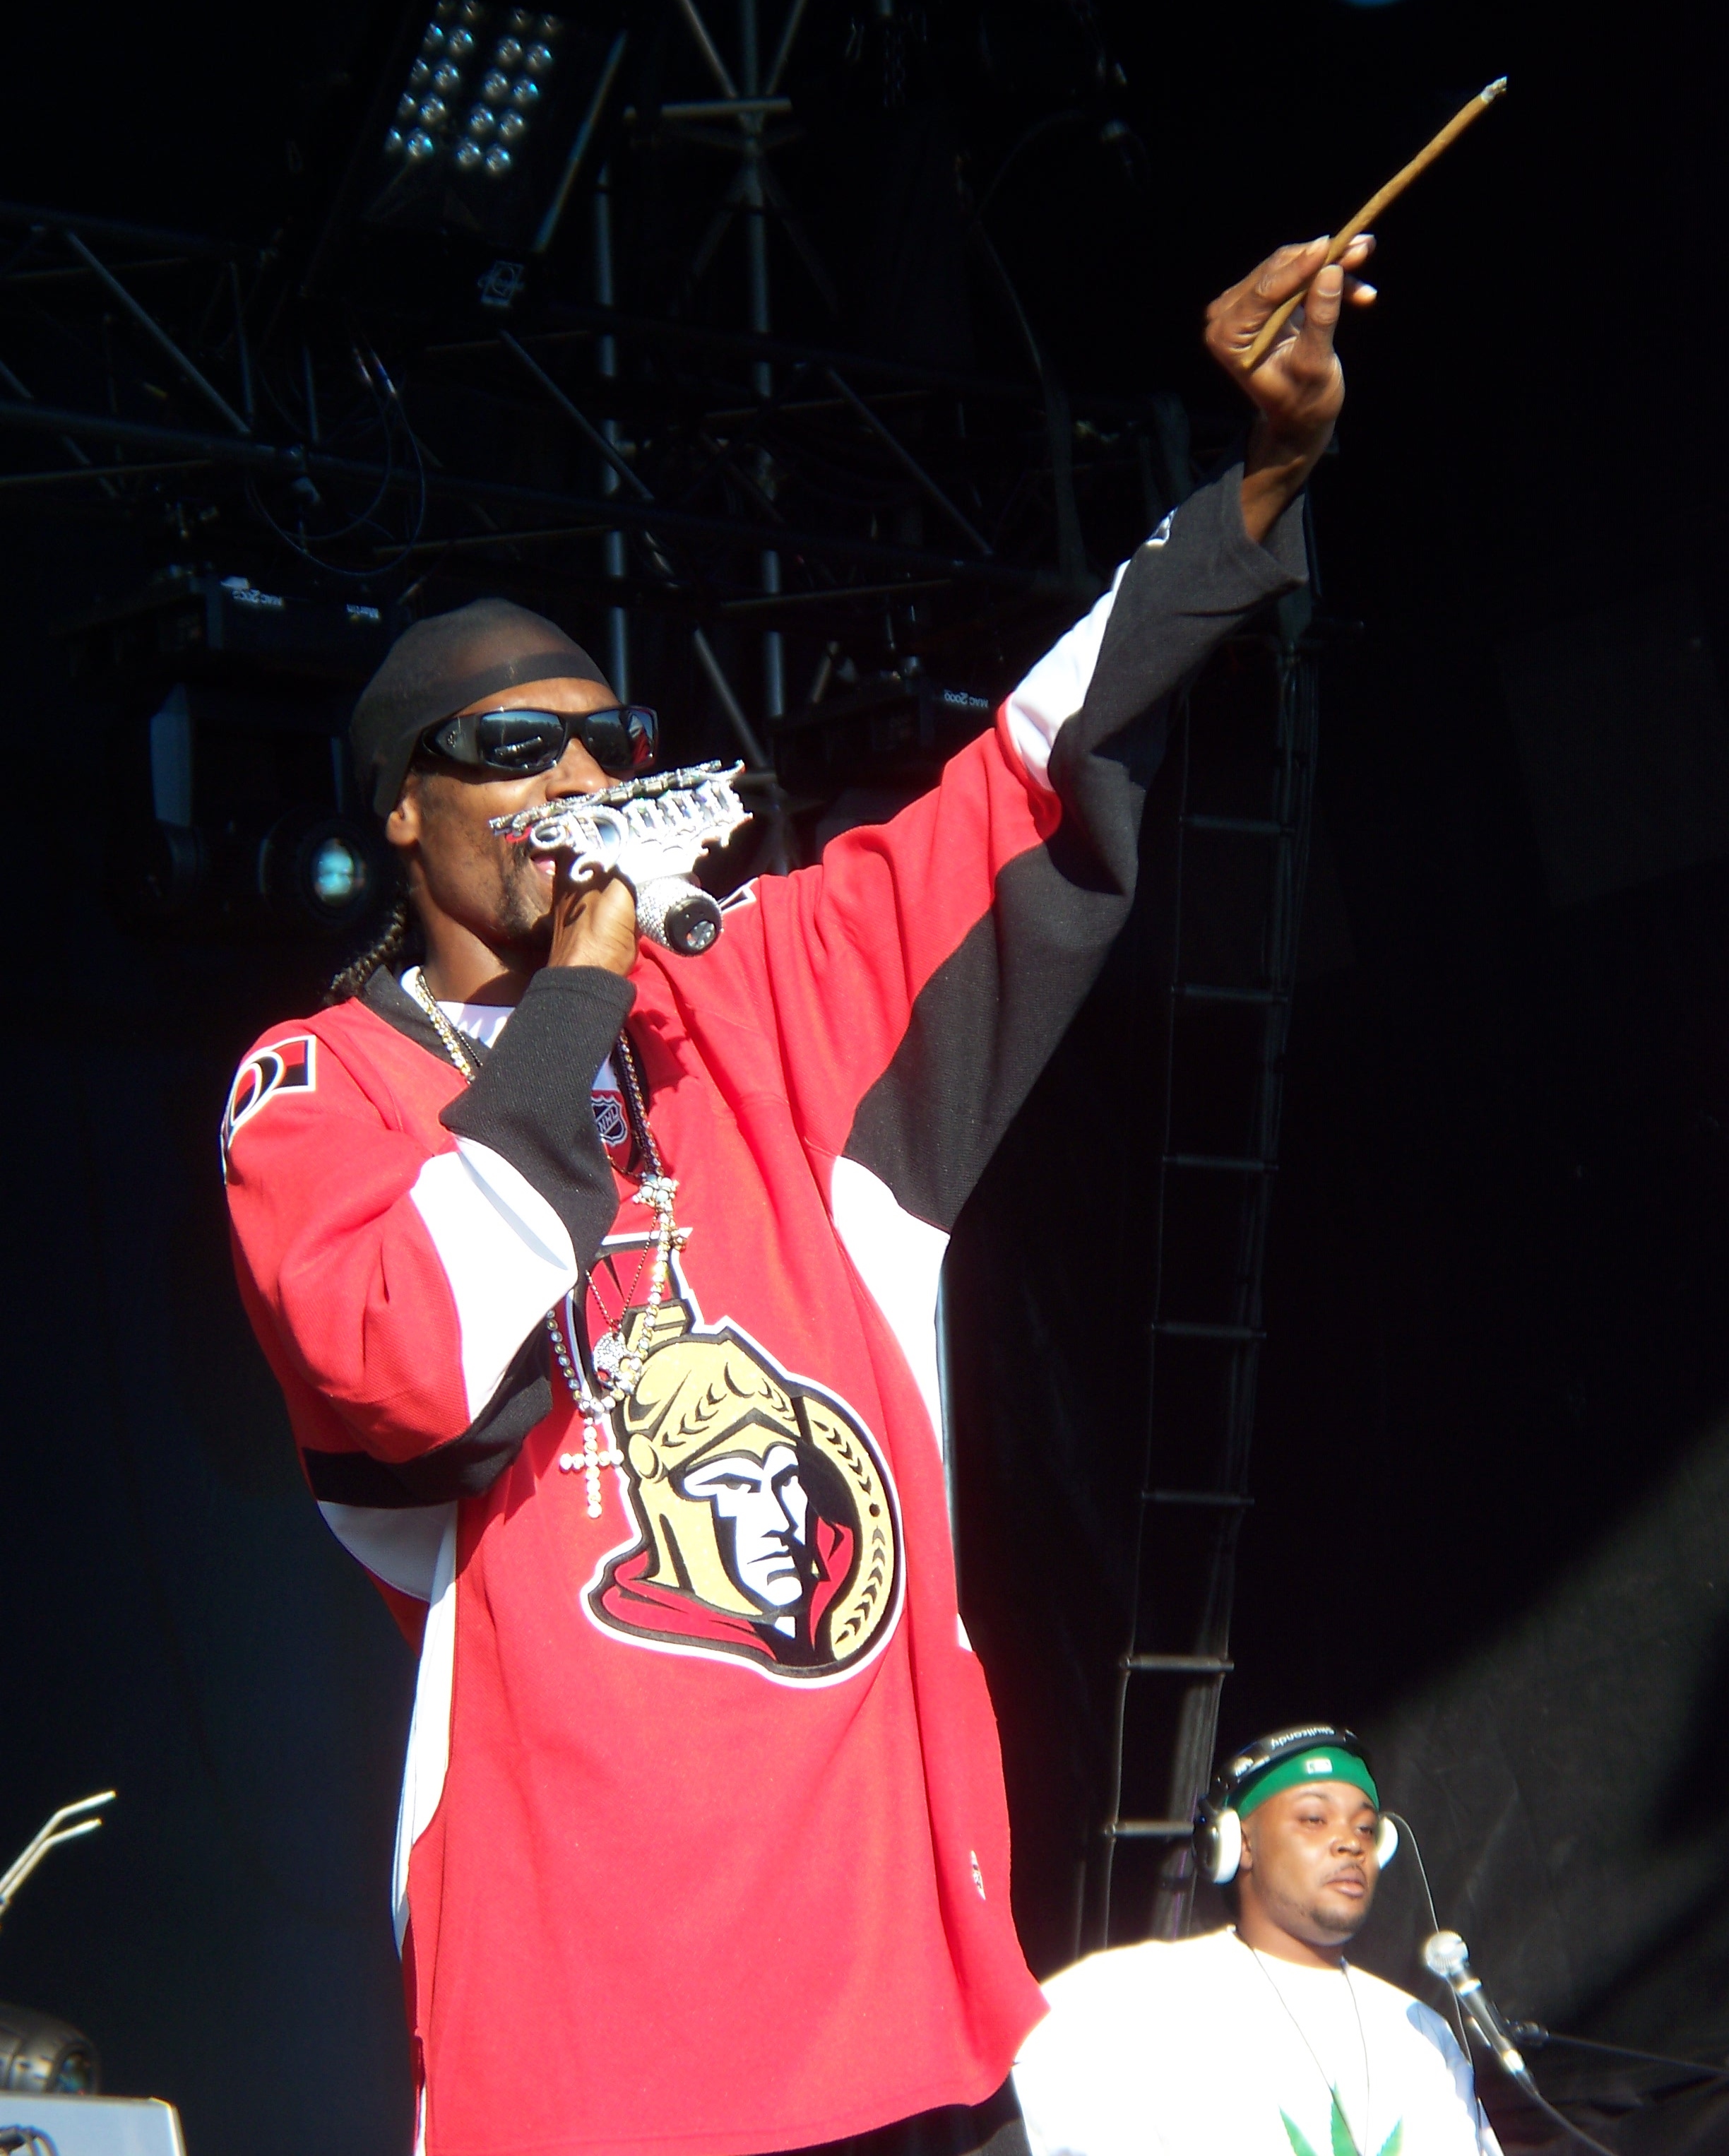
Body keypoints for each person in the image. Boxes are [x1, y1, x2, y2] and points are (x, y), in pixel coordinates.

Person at [222, 236, 1372, 2156]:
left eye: (611, 736)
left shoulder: (750, 987)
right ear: (399, 810)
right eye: (512, 748)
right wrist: (580, 985)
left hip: (876, 1952)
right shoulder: (317, 1085)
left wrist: (1256, 485)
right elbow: (411, 1363)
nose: (580, 771)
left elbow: (1017, 775)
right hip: (592, 1976)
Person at [1012, 1728, 1502, 2156]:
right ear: (1236, 1844)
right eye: (1314, 1819)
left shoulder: (1420, 2031)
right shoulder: (1127, 1995)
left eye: (1367, 1829)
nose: (1351, 1842)